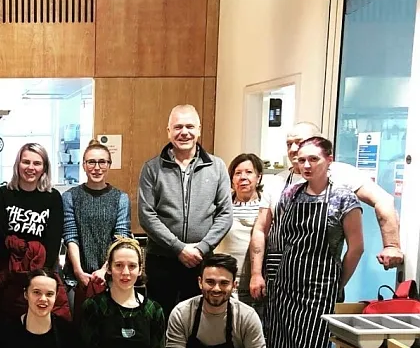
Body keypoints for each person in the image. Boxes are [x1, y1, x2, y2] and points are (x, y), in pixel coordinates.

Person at [253, 137, 363, 348]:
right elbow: (279, 237)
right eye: (301, 159)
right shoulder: (290, 194)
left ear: (329, 159)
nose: (306, 165)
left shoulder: (344, 199)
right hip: (286, 286)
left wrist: (337, 282)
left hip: (320, 288)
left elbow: (356, 247)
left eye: (313, 159)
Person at [257, 121, 401, 270]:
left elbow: (383, 200)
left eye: (299, 143)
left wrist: (391, 245)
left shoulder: (341, 173)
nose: (293, 149)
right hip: (279, 269)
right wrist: (256, 273)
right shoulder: (277, 181)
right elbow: (261, 229)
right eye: (289, 144)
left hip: (323, 272)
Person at [138, 104, 233, 320]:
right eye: (178, 127)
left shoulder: (217, 167)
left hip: (202, 260)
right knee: (159, 319)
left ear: (199, 130)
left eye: (190, 126)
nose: (184, 132)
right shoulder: (152, 168)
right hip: (162, 259)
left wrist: (201, 248)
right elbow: (146, 214)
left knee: (199, 320)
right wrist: (178, 247)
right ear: (168, 131)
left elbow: (225, 214)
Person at [0, 143, 71, 321]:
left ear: (44, 168)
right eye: (26, 162)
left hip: (42, 271)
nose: (31, 168)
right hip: (9, 273)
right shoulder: (1, 195)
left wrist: (41, 275)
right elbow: (0, 236)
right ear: (17, 165)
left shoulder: (53, 197)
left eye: (37, 163)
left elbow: (54, 239)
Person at [62, 139, 132, 317]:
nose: (97, 167)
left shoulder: (121, 198)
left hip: (111, 278)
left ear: (109, 165)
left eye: (102, 162)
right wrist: (78, 271)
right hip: (75, 279)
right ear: (84, 165)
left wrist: (104, 270)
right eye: (91, 162)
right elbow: (71, 236)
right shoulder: (70, 197)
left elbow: (121, 239)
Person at [216, 153, 264, 305]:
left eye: (249, 172)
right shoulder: (220, 205)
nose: (243, 177)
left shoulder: (268, 206)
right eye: (237, 173)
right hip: (225, 280)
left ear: (259, 177)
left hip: (258, 280)